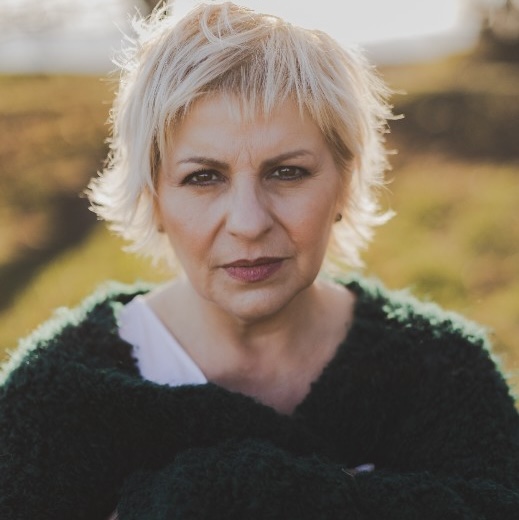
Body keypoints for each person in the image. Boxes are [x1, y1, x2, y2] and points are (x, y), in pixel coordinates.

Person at [1, 2, 518, 519]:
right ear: (152, 198)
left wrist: (203, 496)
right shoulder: (55, 398)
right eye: (204, 177)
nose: (249, 222)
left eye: (287, 172)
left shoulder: (443, 373)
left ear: (344, 183)